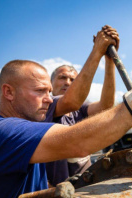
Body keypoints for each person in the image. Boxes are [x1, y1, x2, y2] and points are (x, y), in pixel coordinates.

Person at [0, 34, 132, 198]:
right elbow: (76, 141)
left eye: (49, 92)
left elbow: (104, 108)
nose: (49, 99)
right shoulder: (5, 131)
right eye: (40, 91)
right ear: (9, 92)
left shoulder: (32, 123)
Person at [45, 29, 117, 187]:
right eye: (62, 78)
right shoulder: (46, 105)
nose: (68, 83)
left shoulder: (80, 109)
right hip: (55, 191)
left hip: (84, 186)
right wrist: (97, 51)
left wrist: (109, 61)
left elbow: (105, 107)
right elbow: (71, 101)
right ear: (50, 84)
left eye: (73, 79)